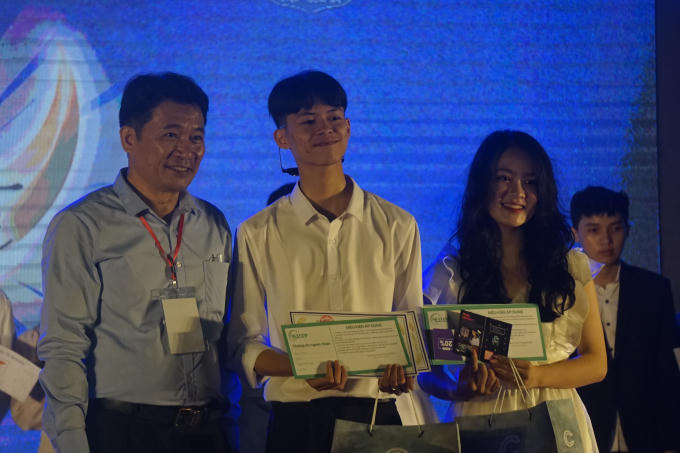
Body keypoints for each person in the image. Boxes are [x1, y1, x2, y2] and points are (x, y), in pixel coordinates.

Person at [37, 72, 234, 453]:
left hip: (205, 432)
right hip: (123, 430)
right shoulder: (83, 225)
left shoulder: (213, 223)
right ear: (129, 138)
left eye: (196, 137)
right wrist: (73, 441)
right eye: (171, 135)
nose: (186, 150)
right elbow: (63, 347)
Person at [228, 70, 423, 453]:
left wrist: (405, 367)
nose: (325, 129)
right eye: (308, 121)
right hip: (296, 419)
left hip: (376, 414)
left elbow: (410, 323)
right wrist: (302, 366)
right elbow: (244, 344)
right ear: (282, 137)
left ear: (348, 128)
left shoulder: (397, 224)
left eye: (334, 118)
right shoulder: (258, 231)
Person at [418, 130, 607, 452]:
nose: (518, 192)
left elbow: (597, 363)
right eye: (504, 178)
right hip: (480, 418)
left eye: (530, 181)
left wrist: (537, 376)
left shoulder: (570, 267)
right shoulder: (451, 272)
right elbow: (426, 372)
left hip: (555, 418)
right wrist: (457, 389)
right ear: (482, 184)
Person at [571, 186, 680, 453]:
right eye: (594, 230)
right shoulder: (564, 292)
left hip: (646, 432)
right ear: (575, 234)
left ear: (628, 230)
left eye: (615, 228)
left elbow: (666, 372)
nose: (606, 239)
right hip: (585, 432)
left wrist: (671, 442)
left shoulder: (654, 289)